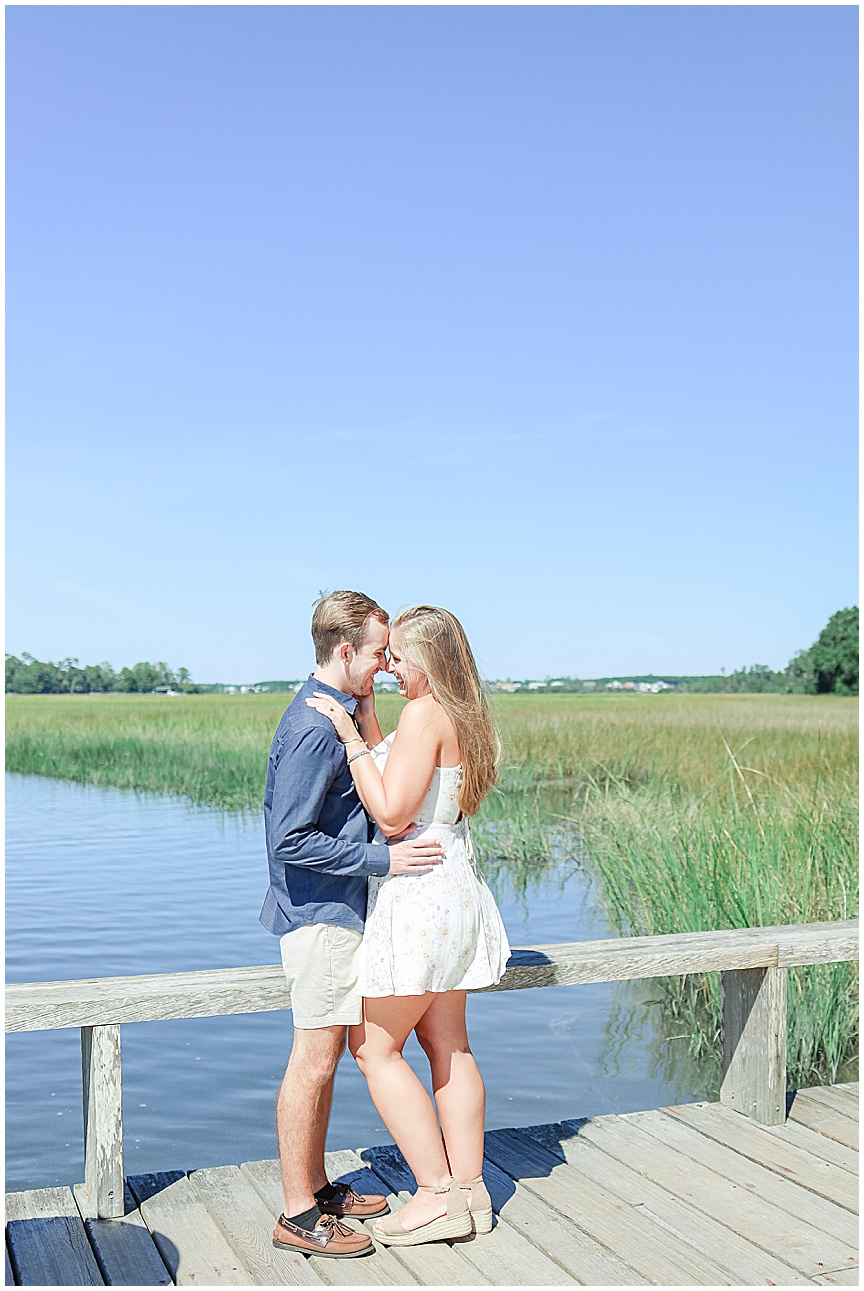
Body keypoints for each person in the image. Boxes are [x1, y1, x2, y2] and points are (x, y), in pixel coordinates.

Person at [306, 604, 511, 1248]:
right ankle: (470, 1188)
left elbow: (393, 815)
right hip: (455, 888)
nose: (389, 666)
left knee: (373, 1048)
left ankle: (433, 1194)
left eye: (398, 657)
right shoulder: (461, 714)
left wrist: (350, 740)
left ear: (427, 661)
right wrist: (362, 714)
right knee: (449, 1044)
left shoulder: (424, 714)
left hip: (420, 894)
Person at [260, 590, 445, 1260]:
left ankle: (315, 1186)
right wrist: (385, 858)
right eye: (377, 652)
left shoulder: (330, 710)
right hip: (319, 916)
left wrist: (362, 715)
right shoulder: (314, 727)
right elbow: (290, 839)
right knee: (311, 1061)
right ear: (347, 650)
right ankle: (298, 1215)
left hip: (332, 911)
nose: (384, 663)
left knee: (327, 1056)